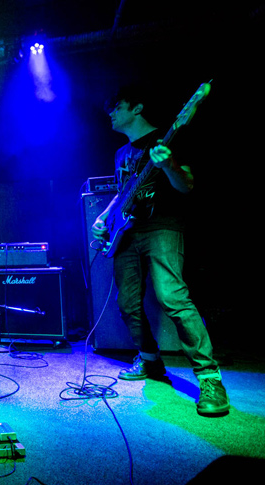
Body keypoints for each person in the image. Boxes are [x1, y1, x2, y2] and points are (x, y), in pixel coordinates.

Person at [91, 85, 229, 416]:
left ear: (137, 108)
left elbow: (186, 184)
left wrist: (167, 165)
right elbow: (123, 191)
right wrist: (104, 216)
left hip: (162, 226)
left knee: (172, 297)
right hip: (126, 233)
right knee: (127, 303)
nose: (111, 114)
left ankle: (210, 378)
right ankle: (150, 360)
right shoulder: (121, 153)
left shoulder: (168, 139)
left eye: (117, 106)